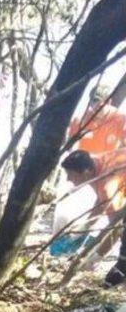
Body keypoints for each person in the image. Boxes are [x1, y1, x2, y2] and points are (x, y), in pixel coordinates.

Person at [61, 148, 126, 286]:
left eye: (70, 175)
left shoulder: (107, 184)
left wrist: (96, 257)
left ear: (85, 173)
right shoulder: (95, 164)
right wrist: (87, 225)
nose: (68, 179)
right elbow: (101, 202)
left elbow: (116, 228)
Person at [69, 84, 126, 155]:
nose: (95, 106)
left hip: (106, 163)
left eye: (98, 102)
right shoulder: (80, 120)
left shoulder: (121, 119)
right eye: (93, 101)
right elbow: (70, 146)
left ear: (108, 102)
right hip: (83, 162)